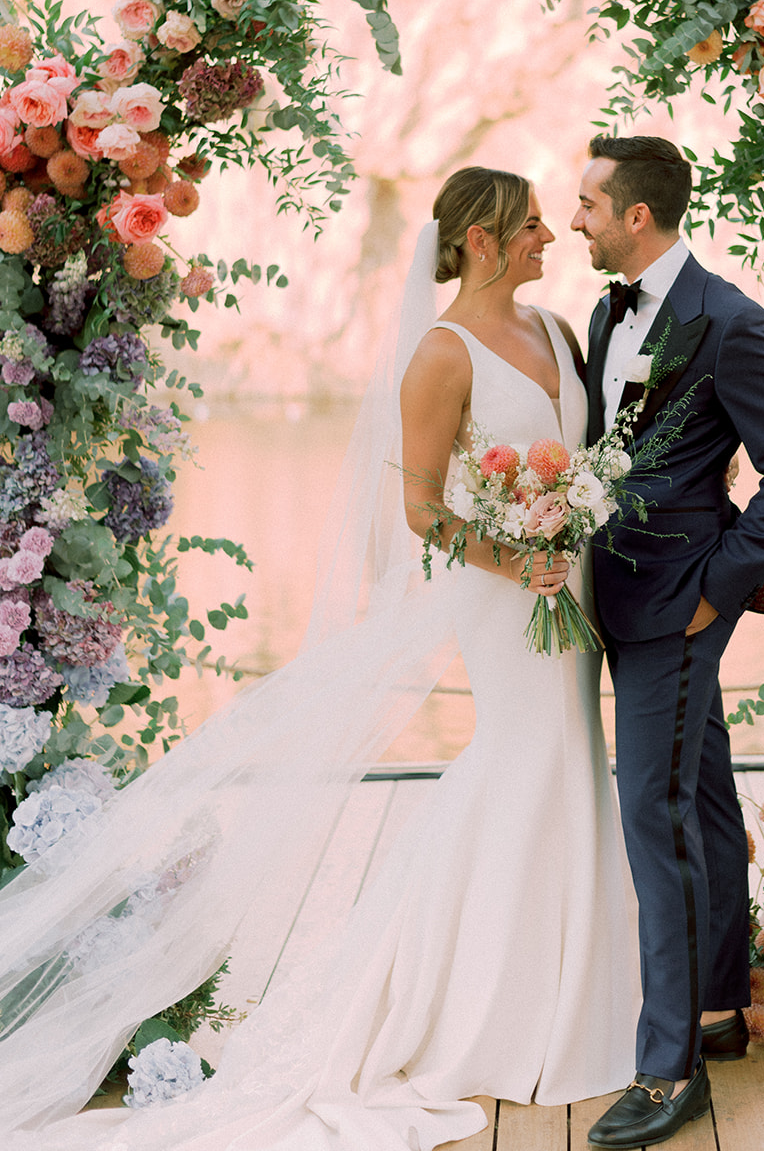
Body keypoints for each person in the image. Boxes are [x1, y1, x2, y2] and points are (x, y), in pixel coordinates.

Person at [0, 167, 640, 1149]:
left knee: (570, 761)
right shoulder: (442, 353)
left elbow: (583, 457)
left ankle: (575, 990)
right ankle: (474, 1004)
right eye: (528, 226)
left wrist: (573, 522)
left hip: (570, 580)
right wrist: (514, 550)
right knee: (525, 758)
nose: (547, 236)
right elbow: (423, 508)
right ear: (478, 237)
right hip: (503, 590)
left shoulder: (557, 332)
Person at [571, 134, 764, 1149]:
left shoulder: (733, 322)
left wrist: (717, 590)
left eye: (588, 200)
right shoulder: (606, 309)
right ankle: (719, 1006)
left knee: (655, 817)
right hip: (617, 590)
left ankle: (665, 1066)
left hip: (679, 602)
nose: (575, 214)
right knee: (705, 795)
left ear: (637, 214)